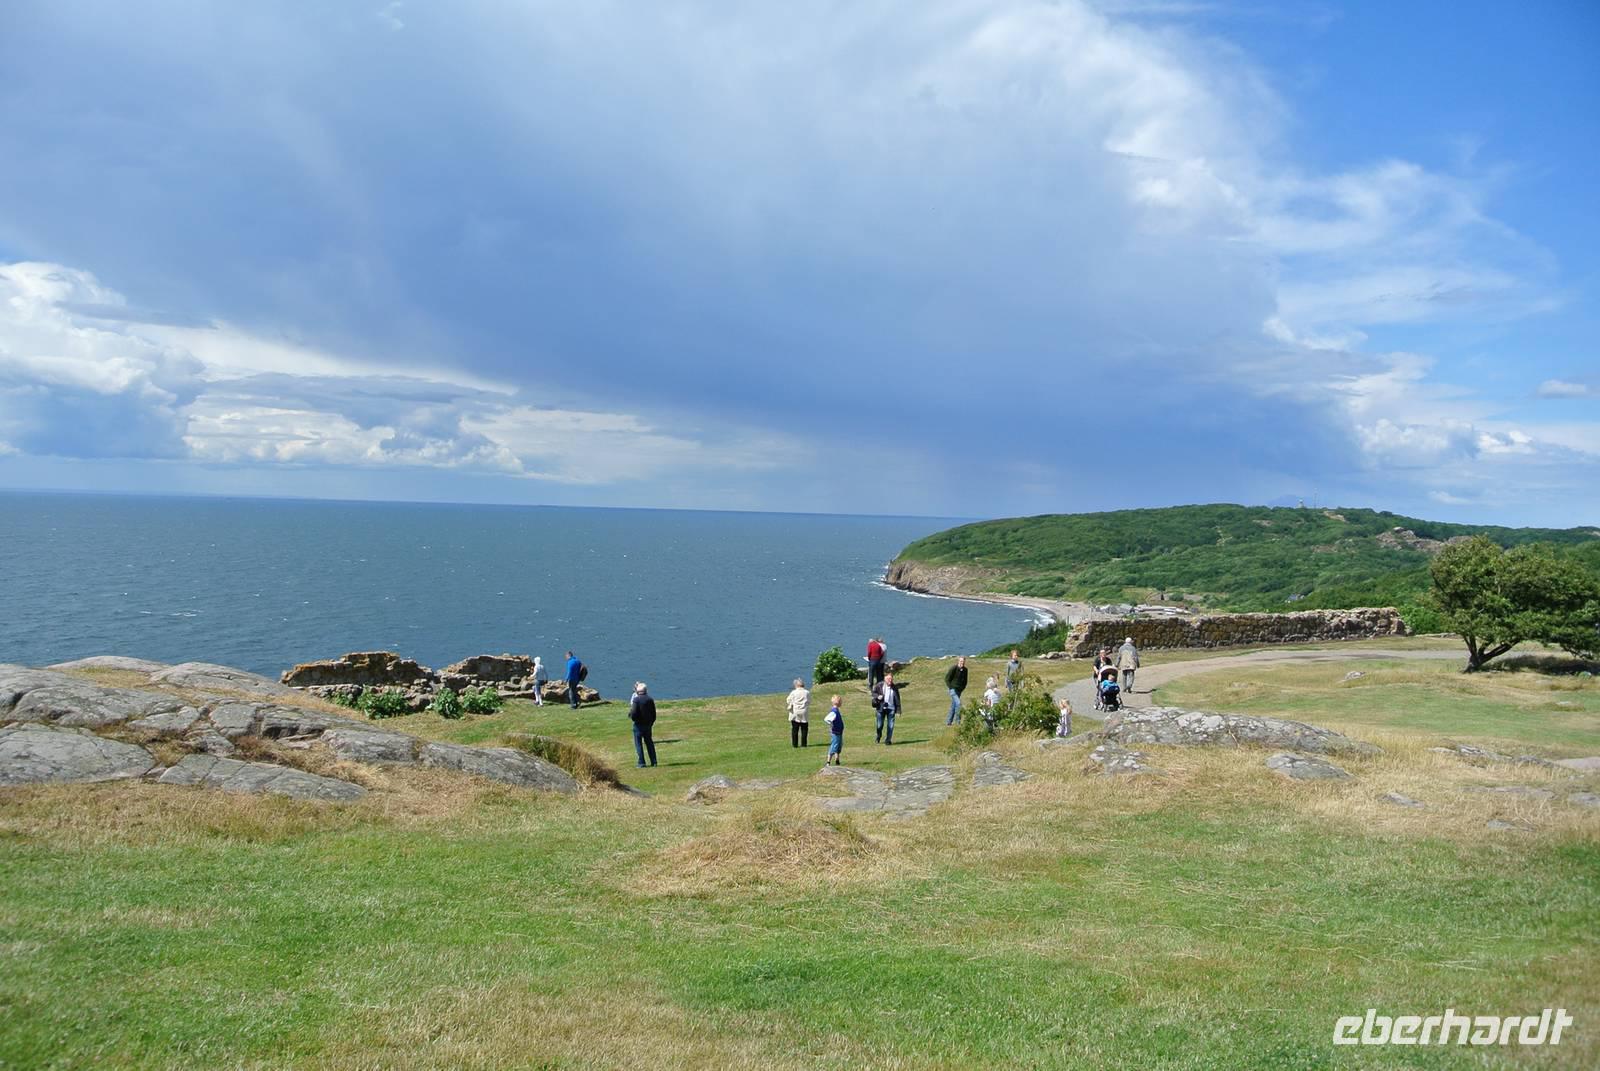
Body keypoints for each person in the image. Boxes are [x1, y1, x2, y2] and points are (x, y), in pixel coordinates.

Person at [628, 681, 657, 768]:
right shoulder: (650, 699)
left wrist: (633, 718)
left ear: (637, 691)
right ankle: (654, 761)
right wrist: (651, 723)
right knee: (649, 743)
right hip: (648, 725)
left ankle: (641, 762)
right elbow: (653, 714)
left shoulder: (636, 700)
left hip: (638, 725)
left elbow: (633, 712)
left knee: (639, 744)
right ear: (646, 690)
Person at [874, 672, 900, 745]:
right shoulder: (879, 685)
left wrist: (898, 711)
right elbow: (873, 693)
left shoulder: (895, 688)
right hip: (881, 708)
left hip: (891, 709)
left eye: (891, 679)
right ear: (885, 679)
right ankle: (878, 736)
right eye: (888, 679)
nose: (890, 681)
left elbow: (897, 699)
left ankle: (888, 740)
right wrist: (878, 696)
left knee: (891, 726)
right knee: (879, 725)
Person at [944, 655, 969, 725]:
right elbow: (947, 679)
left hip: (959, 690)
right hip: (953, 690)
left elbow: (965, 681)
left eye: (963, 662)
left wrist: (962, 688)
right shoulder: (954, 668)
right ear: (958, 661)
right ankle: (958, 722)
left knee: (954, 705)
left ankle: (949, 722)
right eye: (961, 661)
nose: (962, 663)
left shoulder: (965, 670)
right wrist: (951, 688)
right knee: (958, 704)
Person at [786, 678, 811, 748]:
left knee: (795, 728)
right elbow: (809, 701)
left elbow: (788, 700)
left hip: (795, 712)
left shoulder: (793, 692)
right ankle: (804, 744)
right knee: (804, 728)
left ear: (796, 685)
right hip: (804, 712)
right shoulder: (807, 692)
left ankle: (795, 744)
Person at [823, 695, 844, 767]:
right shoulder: (834, 711)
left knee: (838, 746)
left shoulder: (836, 710)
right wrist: (831, 724)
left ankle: (837, 760)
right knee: (833, 746)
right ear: (838, 702)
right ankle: (828, 762)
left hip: (839, 732)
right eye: (841, 701)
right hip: (835, 732)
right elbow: (826, 719)